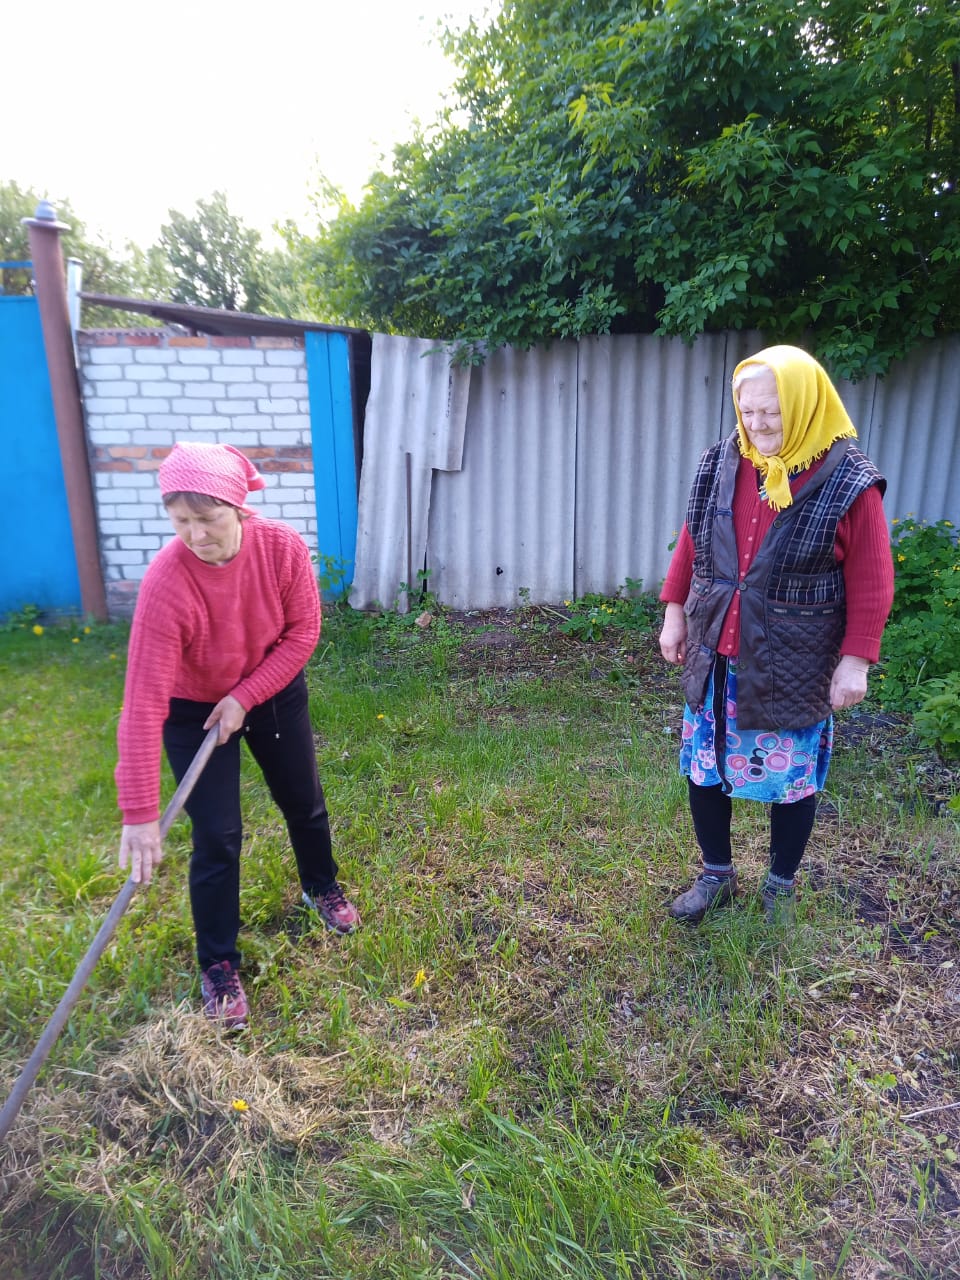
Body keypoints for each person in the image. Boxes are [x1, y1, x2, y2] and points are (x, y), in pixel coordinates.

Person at [116, 441, 359, 1029]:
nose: (195, 535)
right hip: (192, 710)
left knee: (303, 801)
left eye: (208, 518)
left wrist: (245, 696)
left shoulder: (280, 547)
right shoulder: (166, 583)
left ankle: (321, 886)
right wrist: (139, 813)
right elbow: (143, 702)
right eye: (181, 521)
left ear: (238, 507)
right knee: (218, 837)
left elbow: (303, 633)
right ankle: (219, 964)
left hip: (270, 688)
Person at [658, 345, 894, 924]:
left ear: (806, 405)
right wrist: (674, 610)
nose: (757, 425)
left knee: (791, 781)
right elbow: (693, 538)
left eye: (772, 412)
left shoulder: (849, 481)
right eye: (747, 411)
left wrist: (856, 660)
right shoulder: (722, 461)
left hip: (795, 659)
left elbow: (872, 576)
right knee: (705, 767)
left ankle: (779, 888)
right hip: (718, 651)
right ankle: (716, 875)